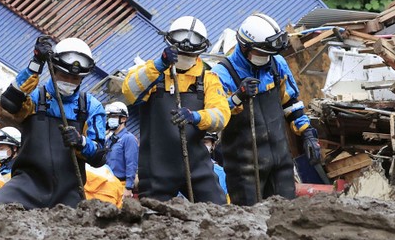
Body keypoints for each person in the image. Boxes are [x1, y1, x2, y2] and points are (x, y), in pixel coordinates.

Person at [210, 13, 321, 205]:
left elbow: (291, 103)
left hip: (281, 164)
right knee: (251, 223)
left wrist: (307, 134)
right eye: (263, 53)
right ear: (245, 48)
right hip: (244, 169)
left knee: (287, 214)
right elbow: (215, 118)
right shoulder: (221, 74)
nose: (268, 58)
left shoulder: (276, 65)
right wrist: (237, 97)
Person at [0, 36, 107, 209]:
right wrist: (36, 62)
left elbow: (100, 156)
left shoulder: (92, 107)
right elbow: (10, 102)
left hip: (69, 194)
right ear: (54, 70)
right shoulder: (34, 98)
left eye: (75, 78)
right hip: (26, 185)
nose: (69, 82)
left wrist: (81, 142)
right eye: (64, 75)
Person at [122, 16, 230, 203]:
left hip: (197, 168)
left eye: (189, 56)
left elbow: (221, 115)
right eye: (180, 53)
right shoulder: (151, 73)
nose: (184, 59)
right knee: (153, 220)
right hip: (156, 171)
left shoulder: (208, 79)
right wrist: (159, 65)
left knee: (219, 213)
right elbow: (129, 92)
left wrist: (196, 117)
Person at [104, 101, 138, 197]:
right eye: (109, 117)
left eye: (113, 116)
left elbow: (131, 164)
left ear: (123, 118)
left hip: (120, 185)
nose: (110, 119)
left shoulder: (129, 139)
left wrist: (128, 187)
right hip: (107, 183)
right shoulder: (109, 138)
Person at [204, 132, 228, 197]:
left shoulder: (221, 173)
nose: (201, 146)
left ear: (213, 145)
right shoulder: (179, 171)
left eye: (205, 142)